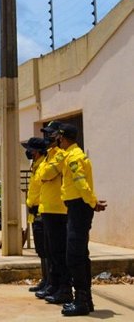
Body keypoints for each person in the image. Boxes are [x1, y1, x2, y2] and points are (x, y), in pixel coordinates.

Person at [54, 123, 107, 316]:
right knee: (80, 254)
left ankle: (82, 301)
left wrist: (92, 202)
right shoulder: (72, 155)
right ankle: (86, 300)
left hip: (79, 207)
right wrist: (91, 202)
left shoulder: (74, 157)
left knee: (74, 256)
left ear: (62, 137)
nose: (57, 140)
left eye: (58, 137)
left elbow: (80, 183)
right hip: (78, 207)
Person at [34, 121, 72, 304]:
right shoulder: (49, 155)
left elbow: (46, 174)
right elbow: (41, 175)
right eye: (47, 134)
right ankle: (54, 284)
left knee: (59, 252)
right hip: (47, 208)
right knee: (50, 252)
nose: (48, 137)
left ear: (59, 136)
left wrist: (47, 174)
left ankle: (64, 289)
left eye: (52, 134)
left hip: (58, 209)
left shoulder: (61, 155)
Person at [22, 136, 49, 292]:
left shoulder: (44, 166)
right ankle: (45, 280)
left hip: (42, 211)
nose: (28, 152)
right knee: (40, 249)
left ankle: (50, 282)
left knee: (46, 249)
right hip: (35, 211)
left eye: (30, 150)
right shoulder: (36, 166)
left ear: (37, 151)